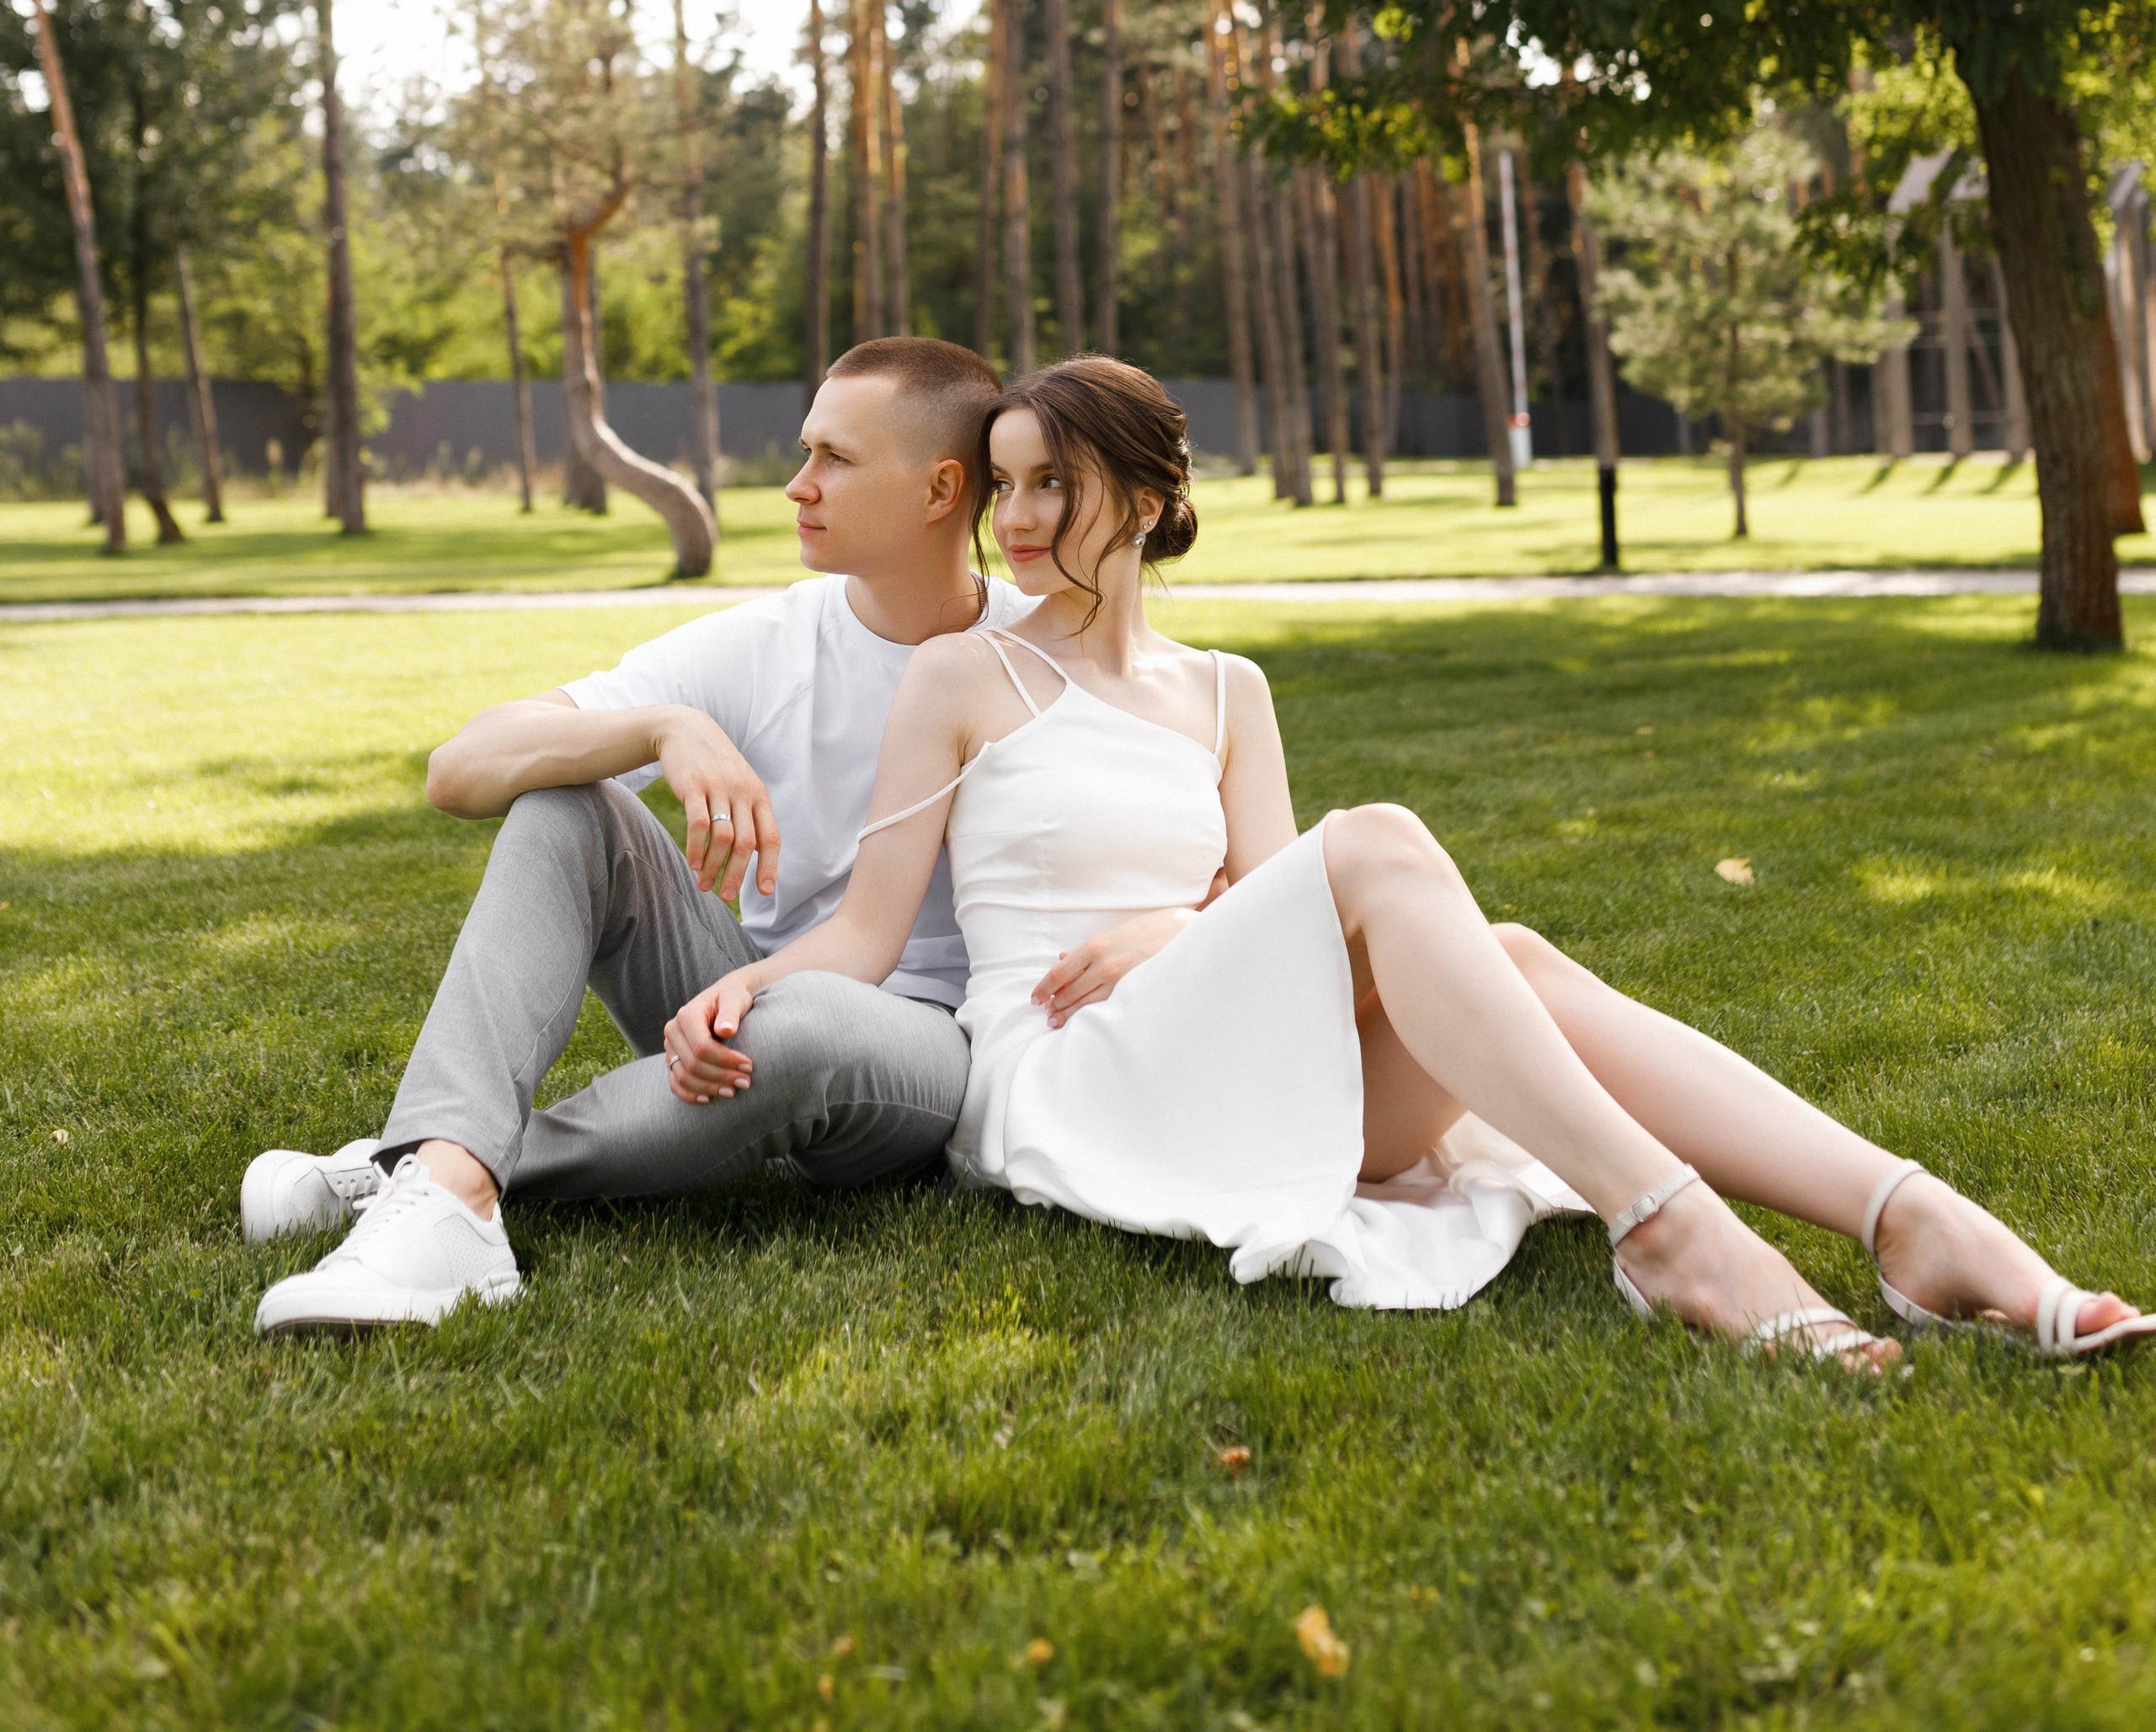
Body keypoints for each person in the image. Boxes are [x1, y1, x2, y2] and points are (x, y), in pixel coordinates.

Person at [664, 355, 2156, 1363]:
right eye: (1004, 489)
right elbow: (867, 933)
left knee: (1503, 957)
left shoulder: (1227, 692)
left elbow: (1260, 900)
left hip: (1221, 1040)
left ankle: (1907, 1218)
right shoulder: (964, 678)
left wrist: (1184, 933)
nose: (1024, 518)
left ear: (1144, 489)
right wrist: (743, 992)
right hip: (1069, 1069)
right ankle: (1682, 1229)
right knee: (1379, 848)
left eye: (1052, 481)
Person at [245, 336, 1030, 1334]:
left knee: (809, 1022)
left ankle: (408, 1166)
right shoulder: (766, 640)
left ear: (940, 487)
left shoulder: (1040, 651)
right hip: (727, 997)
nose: (797, 486)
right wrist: (659, 728)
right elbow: (459, 770)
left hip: (921, 1050)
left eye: (835, 458)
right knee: (569, 803)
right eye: (805, 452)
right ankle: (449, 1194)